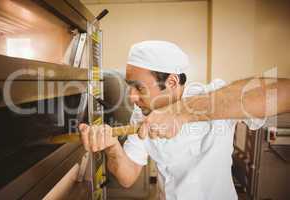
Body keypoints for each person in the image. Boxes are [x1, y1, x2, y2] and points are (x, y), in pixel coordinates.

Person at [79, 40, 290, 200]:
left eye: (139, 88)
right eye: (129, 86)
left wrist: (181, 113)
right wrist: (112, 147)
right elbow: (127, 177)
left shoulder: (212, 95)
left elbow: (284, 93)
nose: (131, 97)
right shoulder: (140, 114)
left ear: (171, 82)